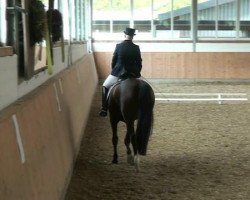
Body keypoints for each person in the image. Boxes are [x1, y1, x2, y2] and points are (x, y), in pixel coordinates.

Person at [99, 27, 142, 117]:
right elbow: (139, 62)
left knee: (105, 86)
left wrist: (114, 70)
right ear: (133, 36)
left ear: (124, 35)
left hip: (118, 72)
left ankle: (104, 109)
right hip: (133, 73)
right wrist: (137, 72)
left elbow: (114, 61)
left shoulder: (119, 46)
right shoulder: (136, 47)